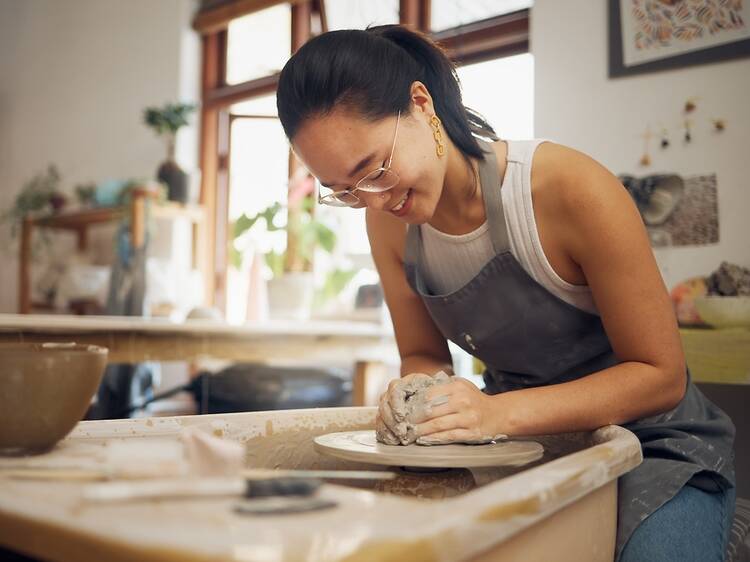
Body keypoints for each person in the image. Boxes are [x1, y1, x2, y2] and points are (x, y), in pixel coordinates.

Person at [275, 24, 735, 561]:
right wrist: (423, 399)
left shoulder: (568, 189)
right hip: (520, 446)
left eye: (373, 170)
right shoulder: (388, 222)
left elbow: (661, 376)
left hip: (655, 444)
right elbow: (422, 354)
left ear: (421, 105)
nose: (373, 201)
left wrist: (497, 414)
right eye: (345, 192)